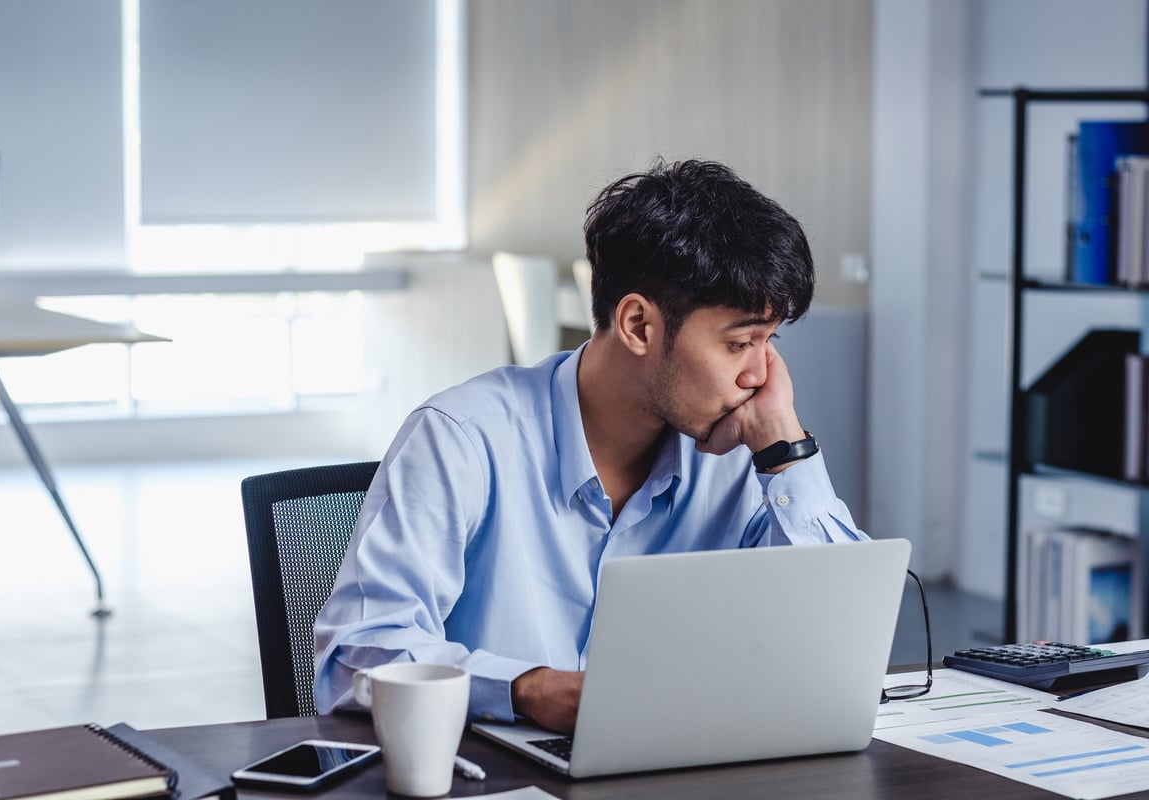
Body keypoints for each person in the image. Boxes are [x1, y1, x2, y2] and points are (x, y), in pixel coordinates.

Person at [313, 158, 866, 734]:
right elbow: (357, 655)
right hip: (492, 768)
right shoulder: (462, 439)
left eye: (769, 341)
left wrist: (786, 449)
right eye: (740, 343)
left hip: (679, 760)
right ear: (638, 325)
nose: (761, 375)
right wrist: (525, 689)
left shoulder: (745, 451)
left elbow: (842, 642)